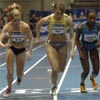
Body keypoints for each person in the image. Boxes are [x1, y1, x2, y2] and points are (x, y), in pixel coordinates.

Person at [36, 2, 75, 94]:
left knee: (61, 69)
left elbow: (72, 36)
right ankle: (54, 85)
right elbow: (39, 24)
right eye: (57, 13)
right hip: (51, 43)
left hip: (63, 44)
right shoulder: (49, 18)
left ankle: (53, 73)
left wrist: (73, 49)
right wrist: (38, 37)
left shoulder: (67, 19)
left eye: (60, 14)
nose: (58, 16)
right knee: (55, 68)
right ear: (54, 11)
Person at [0, 4, 34, 97]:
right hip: (11, 48)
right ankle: (9, 88)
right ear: (11, 19)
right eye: (15, 21)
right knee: (10, 72)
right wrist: (4, 45)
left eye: (19, 20)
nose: (17, 22)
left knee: (20, 73)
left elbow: (31, 38)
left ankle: (19, 77)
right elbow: (1, 37)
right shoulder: (8, 26)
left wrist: (30, 51)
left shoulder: (25, 26)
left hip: (21, 49)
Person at [75, 9, 100, 93]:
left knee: (96, 71)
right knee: (86, 70)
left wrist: (99, 41)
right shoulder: (81, 27)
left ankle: (92, 78)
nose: (92, 20)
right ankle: (82, 84)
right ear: (86, 18)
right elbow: (76, 40)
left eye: (94, 18)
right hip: (84, 47)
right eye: (90, 18)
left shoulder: (98, 25)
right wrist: (80, 51)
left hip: (93, 47)